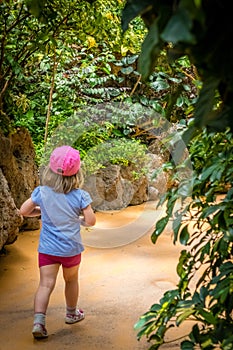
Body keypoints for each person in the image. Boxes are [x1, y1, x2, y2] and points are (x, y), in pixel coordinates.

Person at [19, 145, 96, 339]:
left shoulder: (41, 192)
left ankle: (38, 322)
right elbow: (91, 221)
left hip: (47, 249)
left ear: (50, 171)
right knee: (71, 280)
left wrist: (41, 212)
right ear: (77, 173)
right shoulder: (80, 196)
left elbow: (24, 211)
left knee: (45, 284)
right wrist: (78, 220)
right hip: (70, 250)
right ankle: (71, 313)